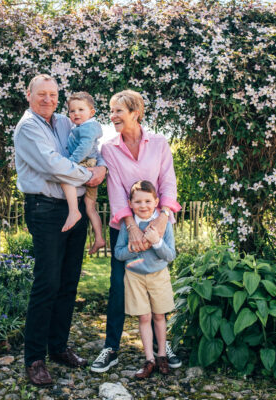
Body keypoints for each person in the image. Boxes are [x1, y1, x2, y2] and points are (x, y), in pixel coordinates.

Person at [13, 74, 107, 386]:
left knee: (68, 283)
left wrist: (102, 167)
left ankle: (58, 348)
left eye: (53, 95)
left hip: (74, 211)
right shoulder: (28, 128)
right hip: (46, 210)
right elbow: (54, 165)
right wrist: (88, 173)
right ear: (29, 95)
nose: (48, 100)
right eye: (42, 94)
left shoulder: (65, 121)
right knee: (47, 284)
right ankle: (35, 359)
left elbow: (93, 143)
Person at [91, 89, 182, 373]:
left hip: (158, 225)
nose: (113, 116)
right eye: (111, 111)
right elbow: (115, 191)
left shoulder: (158, 142)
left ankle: (161, 347)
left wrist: (163, 218)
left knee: (158, 284)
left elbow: (168, 181)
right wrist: (131, 227)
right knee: (118, 286)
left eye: (118, 110)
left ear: (135, 113)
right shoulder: (109, 148)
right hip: (125, 228)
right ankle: (111, 348)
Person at [115, 180, 176, 379]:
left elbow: (170, 255)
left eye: (148, 201)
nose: (143, 206)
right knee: (144, 317)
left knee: (159, 316)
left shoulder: (162, 223)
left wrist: (156, 242)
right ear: (130, 204)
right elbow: (118, 253)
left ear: (156, 201)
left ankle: (162, 356)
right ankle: (149, 358)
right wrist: (132, 249)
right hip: (135, 277)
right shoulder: (129, 225)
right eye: (138, 202)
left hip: (159, 276)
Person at [60, 92, 106, 255]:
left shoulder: (87, 127)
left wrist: (70, 162)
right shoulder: (82, 126)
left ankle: (73, 211)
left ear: (91, 113)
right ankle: (99, 238)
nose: (76, 113)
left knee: (64, 178)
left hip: (84, 163)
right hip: (90, 163)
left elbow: (85, 147)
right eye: (72, 111)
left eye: (81, 109)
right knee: (90, 207)